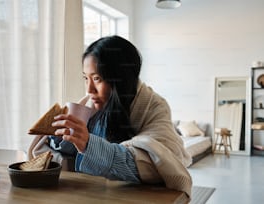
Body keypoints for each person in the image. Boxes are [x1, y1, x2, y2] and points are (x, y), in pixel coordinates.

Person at [29, 35, 192, 199]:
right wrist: (60, 138)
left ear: (121, 78)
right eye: (86, 78)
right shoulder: (88, 105)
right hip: (88, 195)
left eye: (97, 78)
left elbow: (156, 165)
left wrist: (88, 144)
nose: (89, 89)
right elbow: (67, 156)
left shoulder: (154, 107)